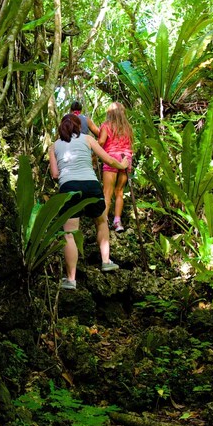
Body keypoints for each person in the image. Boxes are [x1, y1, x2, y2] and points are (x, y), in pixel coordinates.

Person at [48, 114, 129, 290]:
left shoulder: (54, 146)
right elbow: (107, 159)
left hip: (69, 188)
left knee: (69, 233)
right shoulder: (87, 139)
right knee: (101, 222)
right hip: (91, 186)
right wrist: (122, 165)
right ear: (78, 126)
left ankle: (71, 280)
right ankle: (106, 261)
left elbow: (54, 174)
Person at [98, 102, 134, 233]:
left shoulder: (106, 126)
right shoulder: (128, 127)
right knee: (119, 192)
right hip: (126, 158)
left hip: (111, 158)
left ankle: (104, 222)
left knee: (107, 192)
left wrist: (94, 153)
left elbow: (101, 142)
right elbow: (131, 145)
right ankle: (117, 221)